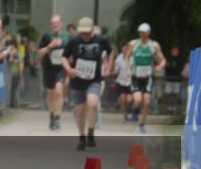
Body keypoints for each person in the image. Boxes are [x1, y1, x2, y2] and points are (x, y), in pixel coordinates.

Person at [60, 17, 113, 150]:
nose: (84, 35)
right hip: (77, 80)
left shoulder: (101, 40)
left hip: (94, 79)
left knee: (92, 103)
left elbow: (111, 52)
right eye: (82, 32)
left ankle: (91, 131)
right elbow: (63, 57)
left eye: (87, 32)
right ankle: (82, 137)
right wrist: (69, 69)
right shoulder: (74, 41)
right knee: (79, 111)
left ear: (92, 30)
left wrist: (108, 66)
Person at [123, 23, 166, 133]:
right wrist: (127, 69)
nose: (142, 34)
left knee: (147, 102)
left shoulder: (154, 45)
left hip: (148, 77)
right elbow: (127, 57)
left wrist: (159, 67)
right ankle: (134, 110)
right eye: (140, 32)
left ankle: (142, 124)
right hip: (136, 76)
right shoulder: (133, 43)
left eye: (144, 32)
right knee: (138, 99)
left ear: (148, 33)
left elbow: (163, 60)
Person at [37, 14, 69, 130]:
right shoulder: (46, 36)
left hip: (61, 68)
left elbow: (72, 53)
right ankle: (51, 115)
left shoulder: (67, 36)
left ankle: (57, 117)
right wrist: (50, 46)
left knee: (59, 91)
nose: (55, 25)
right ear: (51, 25)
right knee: (51, 94)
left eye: (57, 23)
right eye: (53, 23)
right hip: (49, 68)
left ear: (61, 23)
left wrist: (70, 69)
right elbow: (40, 52)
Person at [162, 45, 186, 113]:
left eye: (176, 51)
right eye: (173, 51)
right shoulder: (168, 58)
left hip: (177, 80)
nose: (175, 52)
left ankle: (174, 107)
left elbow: (179, 68)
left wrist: (173, 67)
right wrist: (171, 67)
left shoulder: (180, 59)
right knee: (168, 93)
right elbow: (166, 67)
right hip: (169, 79)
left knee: (176, 93)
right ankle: (169, 106)